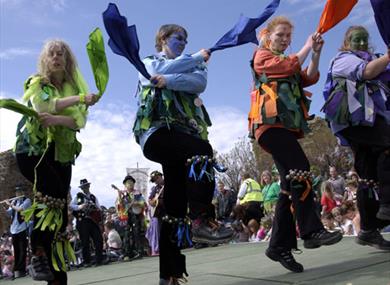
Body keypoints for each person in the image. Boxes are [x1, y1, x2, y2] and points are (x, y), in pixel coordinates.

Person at [134, 24, 233, 284]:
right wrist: (196, 59)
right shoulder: (149, 60)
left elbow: (199, 83)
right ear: (163, 39)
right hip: (156, 134)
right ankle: (201, 218)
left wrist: (168, 81)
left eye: (186, 40)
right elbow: (153, 73)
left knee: (174, 208)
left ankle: (169, 275)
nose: (183, 43)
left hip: (181, 137)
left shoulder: (190, 65)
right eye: (178, 38)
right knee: (202, 149)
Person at [248, 16, 342, 273]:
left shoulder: (287, 62)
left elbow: (308, 77)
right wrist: (307, 46)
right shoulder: (262, 56)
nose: (285, 40)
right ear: (268, 35)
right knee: (300, 166)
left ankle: (279, 245)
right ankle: (311, 231)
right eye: (281, 35)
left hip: (285, 127)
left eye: (288, 37)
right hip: (270, 126)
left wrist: (316, 53)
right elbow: (289, 65)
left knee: (289, 185)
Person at [14, 39, 98, 284]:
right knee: (51, 195)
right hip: (33, 151)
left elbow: (79, 122)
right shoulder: (37, 82)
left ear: (67, 59)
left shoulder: (72, 86)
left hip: (61, 154)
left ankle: (56, 275)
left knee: (60, 211)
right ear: (45, 59)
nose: (56, 57)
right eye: (52, 54)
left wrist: (59, 119)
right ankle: (38, 254)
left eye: (61, 53)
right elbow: (44, 105)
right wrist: (80, 99)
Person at [322, 25, 390, 250]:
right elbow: (366, 72)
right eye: (356, 39)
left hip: (372, 121)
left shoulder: (376, 59)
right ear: (346, 43)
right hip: (356, 121)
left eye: (364, 39)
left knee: (367, 177)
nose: (361, 43)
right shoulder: (344, 60)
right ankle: (388, 203)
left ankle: (369, 230)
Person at [70, 179, 105, 267]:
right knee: (84, 242)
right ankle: (87, 261)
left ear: (88, 186)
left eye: (86, 186)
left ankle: (99, 260)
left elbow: (99, 208)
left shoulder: (93, 197)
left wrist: (95, 209)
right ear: (81, 188)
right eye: (83, 187)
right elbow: (71, 206)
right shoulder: (78, 196)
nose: (84, 188)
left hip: (93, 221)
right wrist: (80, 206)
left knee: (98, 240)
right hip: (82, 221)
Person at [4, 186, 31, 278]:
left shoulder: (27, 201)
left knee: (23, 250)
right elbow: (9, 213)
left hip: (23, 228)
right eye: (16, 192)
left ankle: (22, 270)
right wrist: (4, 208)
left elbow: (20, 209)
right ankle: (17, 270)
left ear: (22, 192)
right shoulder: (14, 201)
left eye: (19, 191)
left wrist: (10, 205)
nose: (17, 193)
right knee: (16, 250)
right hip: (14, 229)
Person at [146, 170, 165, 256]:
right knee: (159, 230)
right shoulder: (155, 188)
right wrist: (152, 202)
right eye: (155, 180)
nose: (157, 180)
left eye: (157, 178)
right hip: (159, 212)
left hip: (168, 209)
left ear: (161, 176)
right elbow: (150, 199)